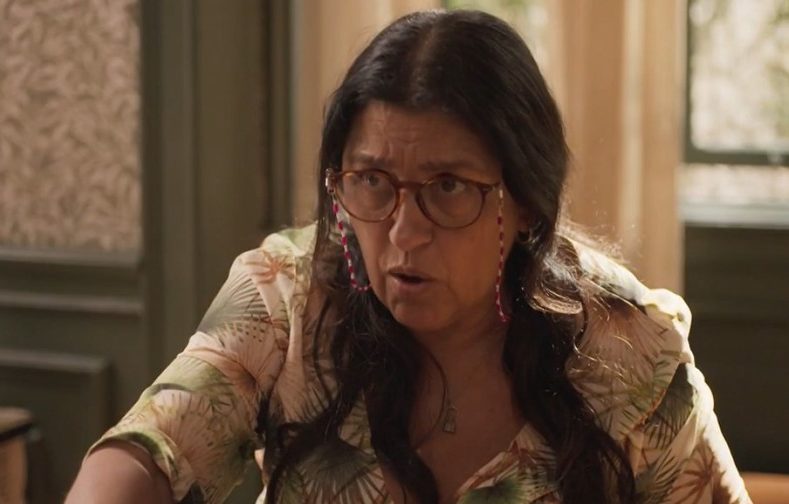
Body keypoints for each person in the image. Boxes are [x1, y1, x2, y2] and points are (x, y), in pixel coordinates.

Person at [67, 9, 752, 504]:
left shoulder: (628, 347)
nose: (402, 232)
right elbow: (151, 448)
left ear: (524, 203)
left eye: (447, 188)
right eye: (371, 181)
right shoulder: (285, 298)